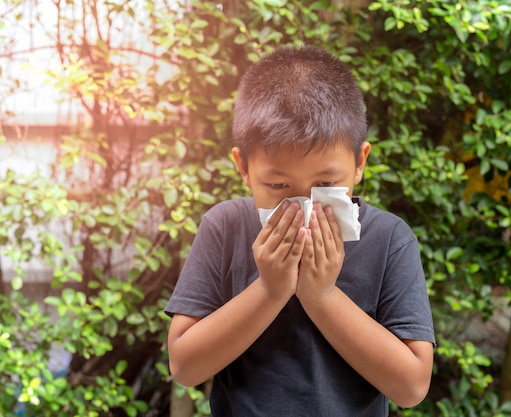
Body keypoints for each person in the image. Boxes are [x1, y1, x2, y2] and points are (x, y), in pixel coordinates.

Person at [165, 45, 435, 416]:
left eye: (326, 184)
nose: (304, 208)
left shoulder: (389, 239)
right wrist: (270, 289)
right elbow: (184, 366)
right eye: (278, 188)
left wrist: (322, 295)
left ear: (359, 163)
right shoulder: (224, 227)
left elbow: (412, 385)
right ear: (243, 167)